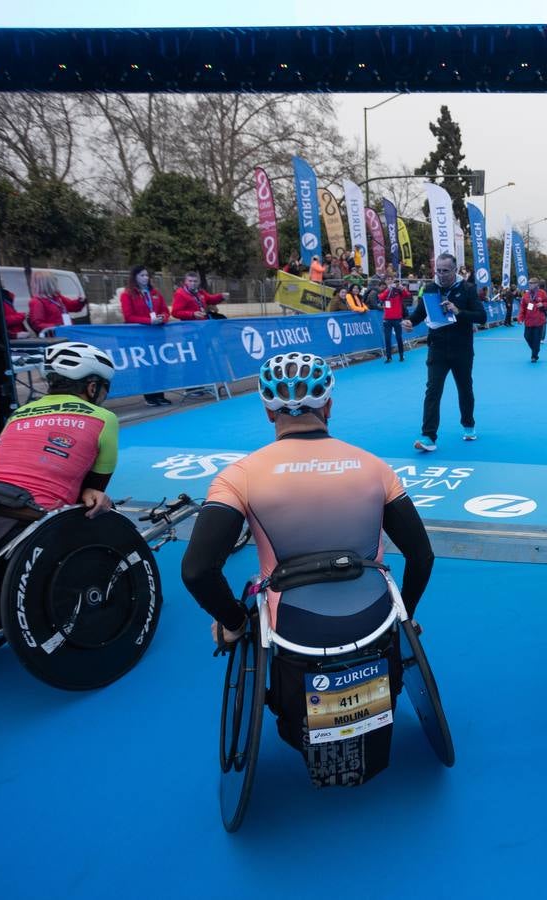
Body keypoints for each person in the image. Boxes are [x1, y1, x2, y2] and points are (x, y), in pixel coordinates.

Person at [181, 352, 435, 786]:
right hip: (376, 620)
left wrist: (235, 622)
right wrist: (403, 616)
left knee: (247, 597)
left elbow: (197, 570)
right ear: (329, 406)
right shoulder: (376, 468)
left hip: (292, 629)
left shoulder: (239, 477)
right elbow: (422, 555)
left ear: (266, 411)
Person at [0, 341, 119, 517]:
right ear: (92, 387)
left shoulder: (19, 413)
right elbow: (92, 489)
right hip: (36, 516)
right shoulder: (104, 418)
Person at [403, 252, 487, 451]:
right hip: (437, 348)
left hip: (462, 349)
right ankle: (428, 437)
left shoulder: (467, 289)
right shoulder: (430, 288)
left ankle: (468, 424)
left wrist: (459, 312)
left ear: (455, 270)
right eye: (438, 270)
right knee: (433, 390)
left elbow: (481, 316)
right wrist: (410, 323)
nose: (441, 274)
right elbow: (420, 313)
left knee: (465, 389)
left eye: (445, 271)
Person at [118, 265, 171, 407]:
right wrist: (149, 321)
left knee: (161, 366)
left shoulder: (155, 293)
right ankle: (150, 396)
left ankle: (160, 395)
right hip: (141, 336)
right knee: (146, 367)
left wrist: (162, 318)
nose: (145, 278)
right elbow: (128, 317)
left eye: (147, 275)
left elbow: (165, 311)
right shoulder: (127, 294)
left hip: (158, 335)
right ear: (134, 277)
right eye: (142, 275)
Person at [27, 272, 86, 336]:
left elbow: (71, 306)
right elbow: (38, 324)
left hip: (66, 332)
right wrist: (58, 327)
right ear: (49, 284)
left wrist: (80, 302)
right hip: (55, 336)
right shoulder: (36, 302)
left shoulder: (57, 297)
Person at [379, 277, 412, 363]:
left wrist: (402, 288)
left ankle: (401, 355)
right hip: (387, 319)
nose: (390, 280)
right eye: (388, 279)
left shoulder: (399, 291)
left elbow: (407, 295)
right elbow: (381, 298)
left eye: (391, 279)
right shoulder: (384, 290)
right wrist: (388, 289)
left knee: (399, 337)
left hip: (397, 318)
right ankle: (388, 357)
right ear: (386, 281)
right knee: (387, 338)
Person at [518, 278, 547, 362]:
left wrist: (542, 304)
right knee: (527, 336)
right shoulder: (526, 295)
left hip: (539, 320)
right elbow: (522, 308)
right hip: (528, 321)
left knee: (536, 338)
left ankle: (534, 355)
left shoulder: (542, 293)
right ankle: (536, 349)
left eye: (532, 283)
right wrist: (520, 318)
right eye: (529, 283)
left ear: (537, 284)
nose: (530, 285)